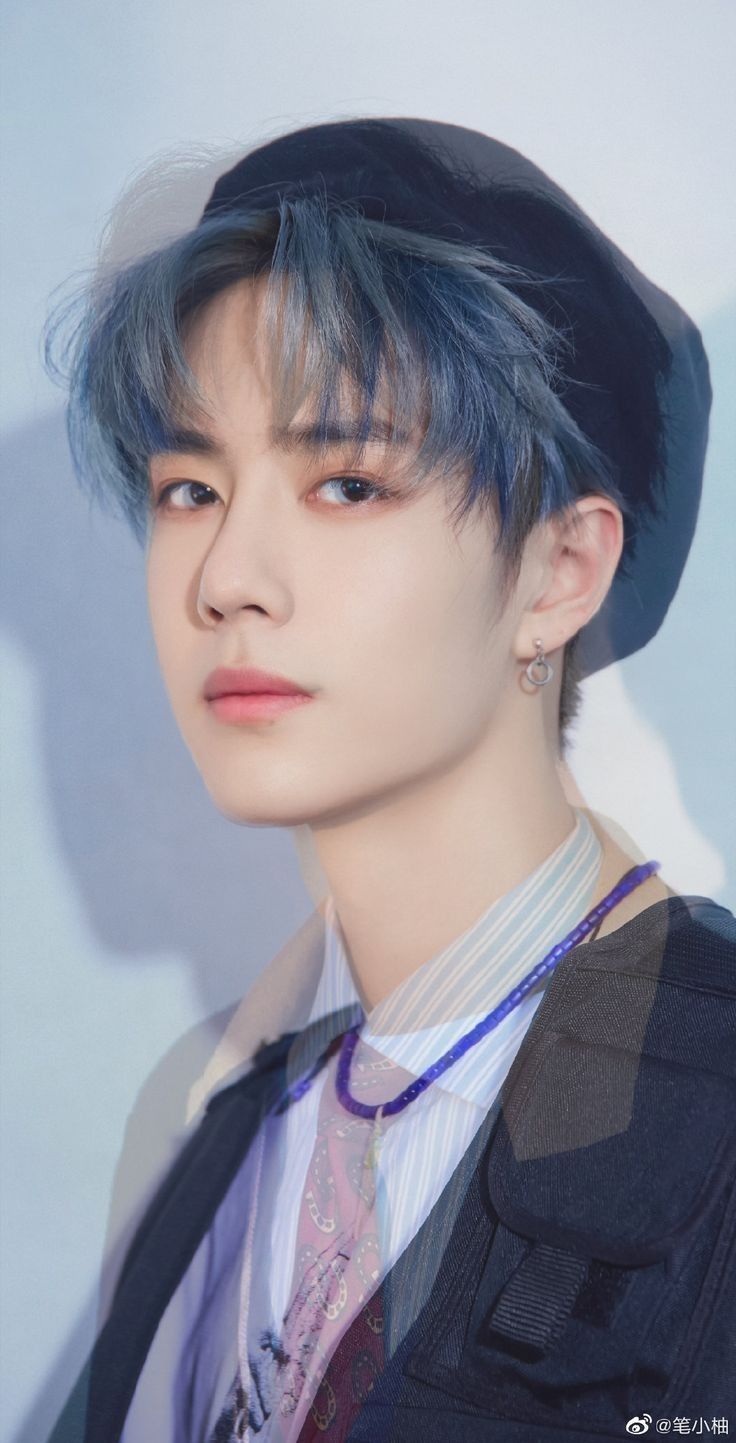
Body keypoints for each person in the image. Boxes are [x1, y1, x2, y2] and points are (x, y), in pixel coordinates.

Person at [47, 118, 735, 1443]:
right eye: (189, 488)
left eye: (349, 483)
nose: (225, 578)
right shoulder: (219, 1126)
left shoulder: (705, 1099)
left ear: (559, 574)